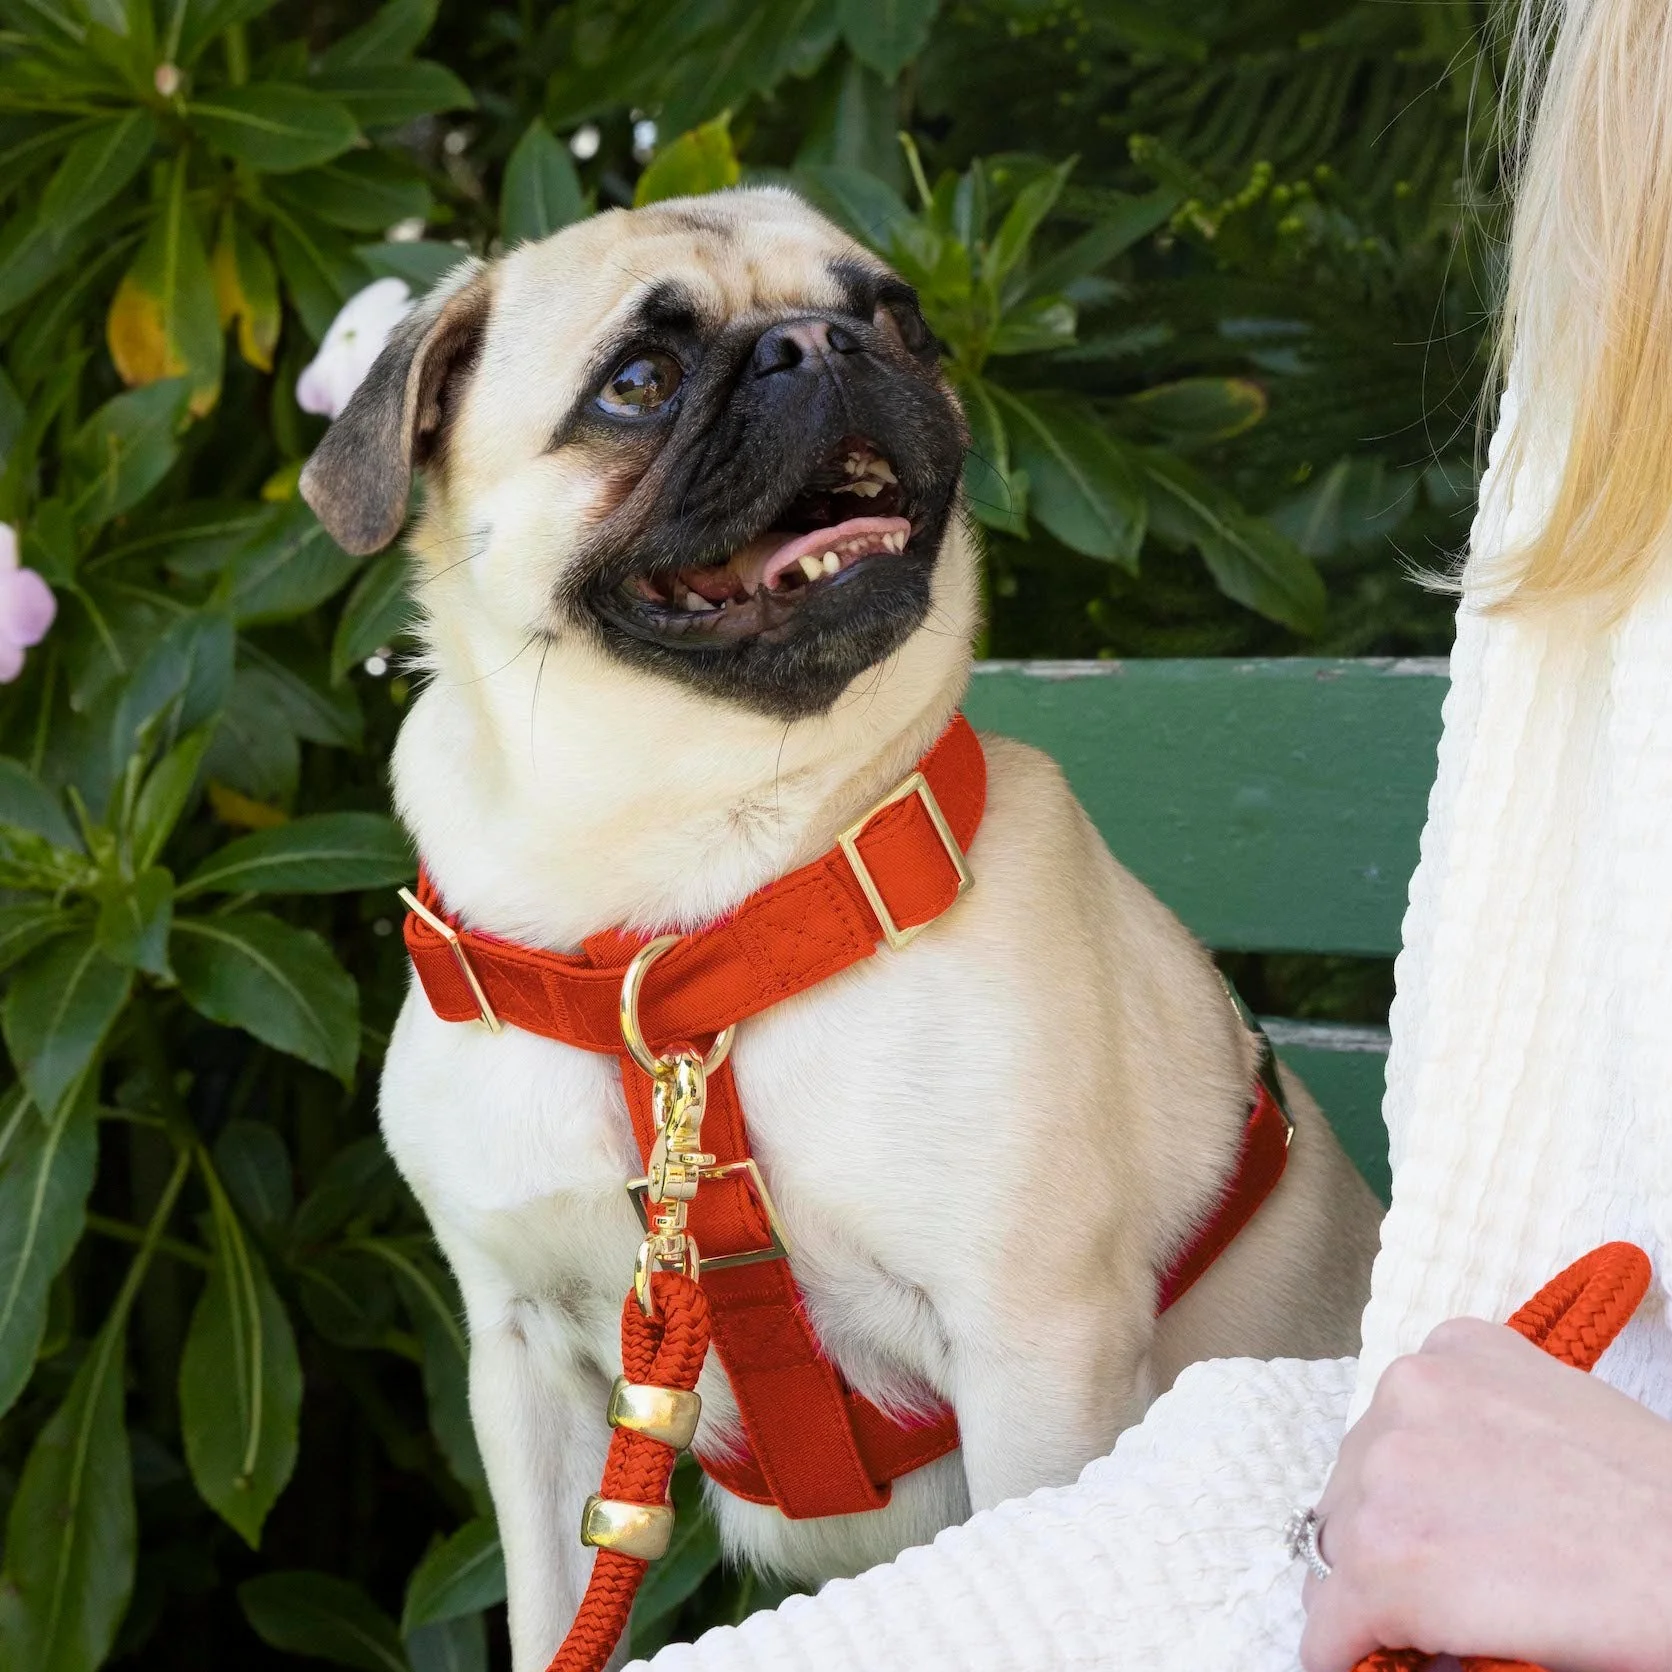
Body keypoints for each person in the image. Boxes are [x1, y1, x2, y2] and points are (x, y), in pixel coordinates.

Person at [637, 1, 1672, 1665]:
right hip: (1371, 1487)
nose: (807, 369)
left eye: (873, 327)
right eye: (643, 380)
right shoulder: (1610, 402)